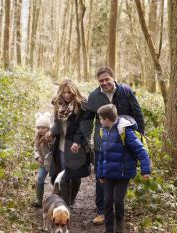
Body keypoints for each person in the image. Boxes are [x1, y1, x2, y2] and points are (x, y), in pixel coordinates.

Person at [82, 66, 145, 224]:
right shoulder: (94, 96)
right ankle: (101, 211)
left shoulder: (125, 92)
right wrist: (84, 140)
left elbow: (138, 113)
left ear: (113, 78)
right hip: (101, 142)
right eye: (101, 81)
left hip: (123, 142)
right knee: (101, 176)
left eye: (106, 79)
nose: (104, 83)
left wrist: (140, 136)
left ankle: (118, 210)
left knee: (121, 172)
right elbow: (88, 120)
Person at [96, 104, 151, 233]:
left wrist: (146, 170)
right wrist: (101, 174)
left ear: (108, 119)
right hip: (109, 174)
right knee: (108, 201)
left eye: (101, 118)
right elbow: (102, 155)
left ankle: (119, 227)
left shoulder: (125, 131)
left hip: (123, 173)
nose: (100, 121)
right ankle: (109, 229)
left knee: (118, 201)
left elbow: (140, 150)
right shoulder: (103, 130)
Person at [46, 79, 91, 207]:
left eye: (69, 92)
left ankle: (71, 199)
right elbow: (58, 124)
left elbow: (84, 127)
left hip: (76, 145)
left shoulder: (82, 106)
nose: (66, 95)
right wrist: (51, 132)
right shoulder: (58, 104)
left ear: (74, 92)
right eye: (64, 92)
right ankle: (65, 205)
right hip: (61, 144)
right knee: (63, 173)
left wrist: (77, 142)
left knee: (75, 175)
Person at [32, 112, 52, 208]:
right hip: (43, 163)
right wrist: (37, 157)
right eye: (38, 128)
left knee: (55, 181)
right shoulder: (36, 136)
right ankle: (38, 200)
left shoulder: (50, 137)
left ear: (48, 128)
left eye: (43, 128)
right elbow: (35, 148)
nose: (40, 130)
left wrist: (49, 140)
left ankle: (57, 199)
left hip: (52, 163)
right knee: (39, 179)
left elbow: (54, 150)